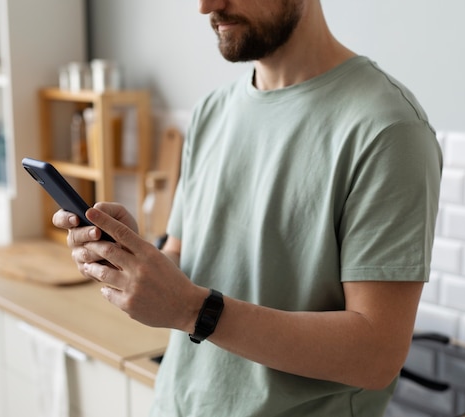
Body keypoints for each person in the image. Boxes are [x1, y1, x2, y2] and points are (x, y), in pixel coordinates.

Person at [53, 1, 442, 416]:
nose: (207, 6)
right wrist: (133, 258)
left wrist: (193, 310)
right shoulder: (211, 113)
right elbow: (184, 263)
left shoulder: (387, 130)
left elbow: (376, 355)